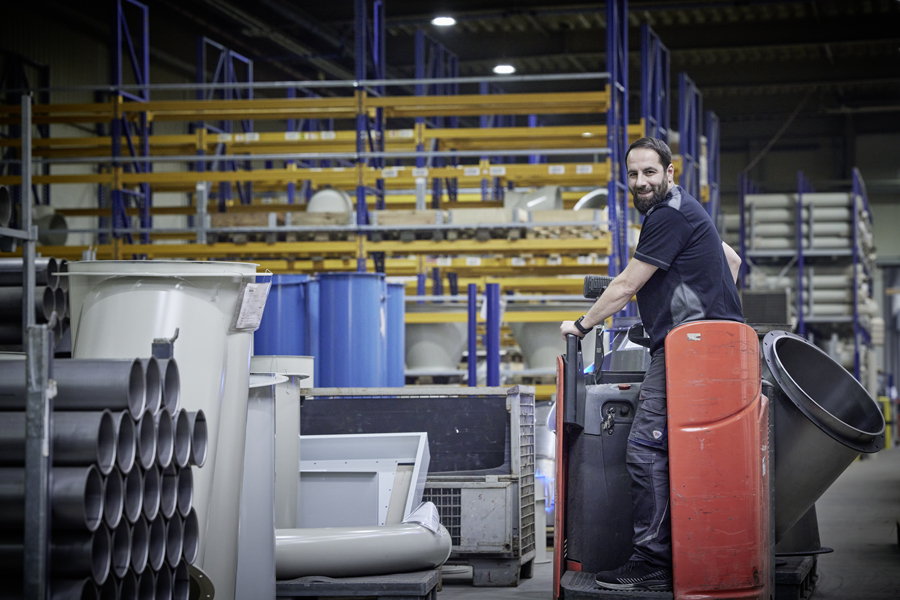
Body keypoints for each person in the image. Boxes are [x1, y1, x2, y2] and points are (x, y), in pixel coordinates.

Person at [559, 137, 743, 591]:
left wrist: (580, 326)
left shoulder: (665, 216)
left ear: (669, 172)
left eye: (650, 173)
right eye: (635, 174)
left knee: (644, 449)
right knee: (672, 451)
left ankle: (653, 563)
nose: (641, 182)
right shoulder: (686, 209)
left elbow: (625, 285)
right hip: (707, 345)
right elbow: (732, 261)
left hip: (690, 350)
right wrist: (708, 310)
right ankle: (674, 553)